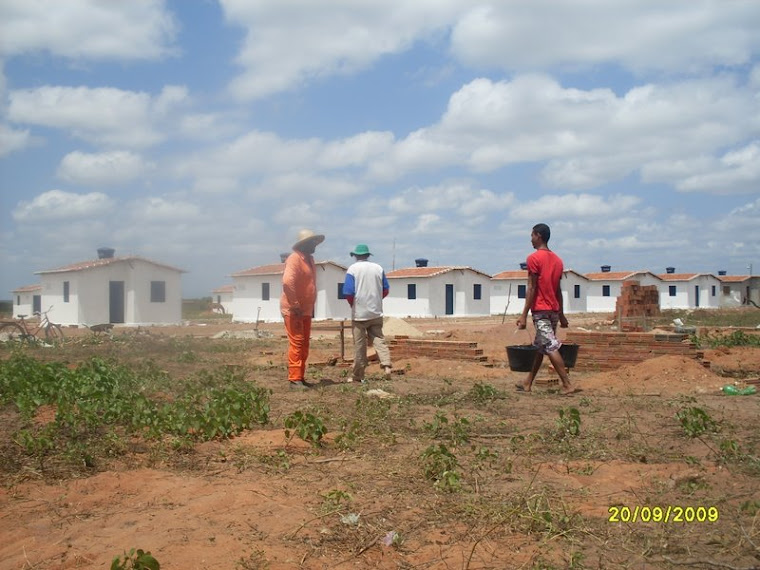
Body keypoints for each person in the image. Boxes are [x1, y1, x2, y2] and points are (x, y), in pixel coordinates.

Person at [516, 223, 577, 395]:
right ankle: (528, 383)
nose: (531, 239)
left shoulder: (533, 259)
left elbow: (532, 288)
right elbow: (558, 290)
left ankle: (567, 384)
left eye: (532, 235)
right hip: (553, 311)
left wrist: (523, 315)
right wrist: (562, 314)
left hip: (541, 311)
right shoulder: (558, 260)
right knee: (541, 346)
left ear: (539, 236)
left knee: (550, 345)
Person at [342, 243, 392, 383]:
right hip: (376, 312)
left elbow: (348, 292)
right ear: (368, 255)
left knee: (359, 345)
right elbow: (386, 290)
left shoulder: (353, 269)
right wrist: (375, 300)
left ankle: (358, 375)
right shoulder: (378, 268)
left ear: (355, 255)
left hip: (359, 314)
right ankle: (387, 365)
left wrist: (353, 305)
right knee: (379, 339)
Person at [281, 229, 324, 390]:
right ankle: (294, 379)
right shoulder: (294, 259)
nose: (315, 245)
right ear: (304, 244)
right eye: (312, 242)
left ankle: (300, 377)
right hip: (295, 310)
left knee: (304, 343)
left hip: (305, 310)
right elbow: (287, 282)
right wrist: (294, 304)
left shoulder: (309, 260)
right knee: (297, 342)